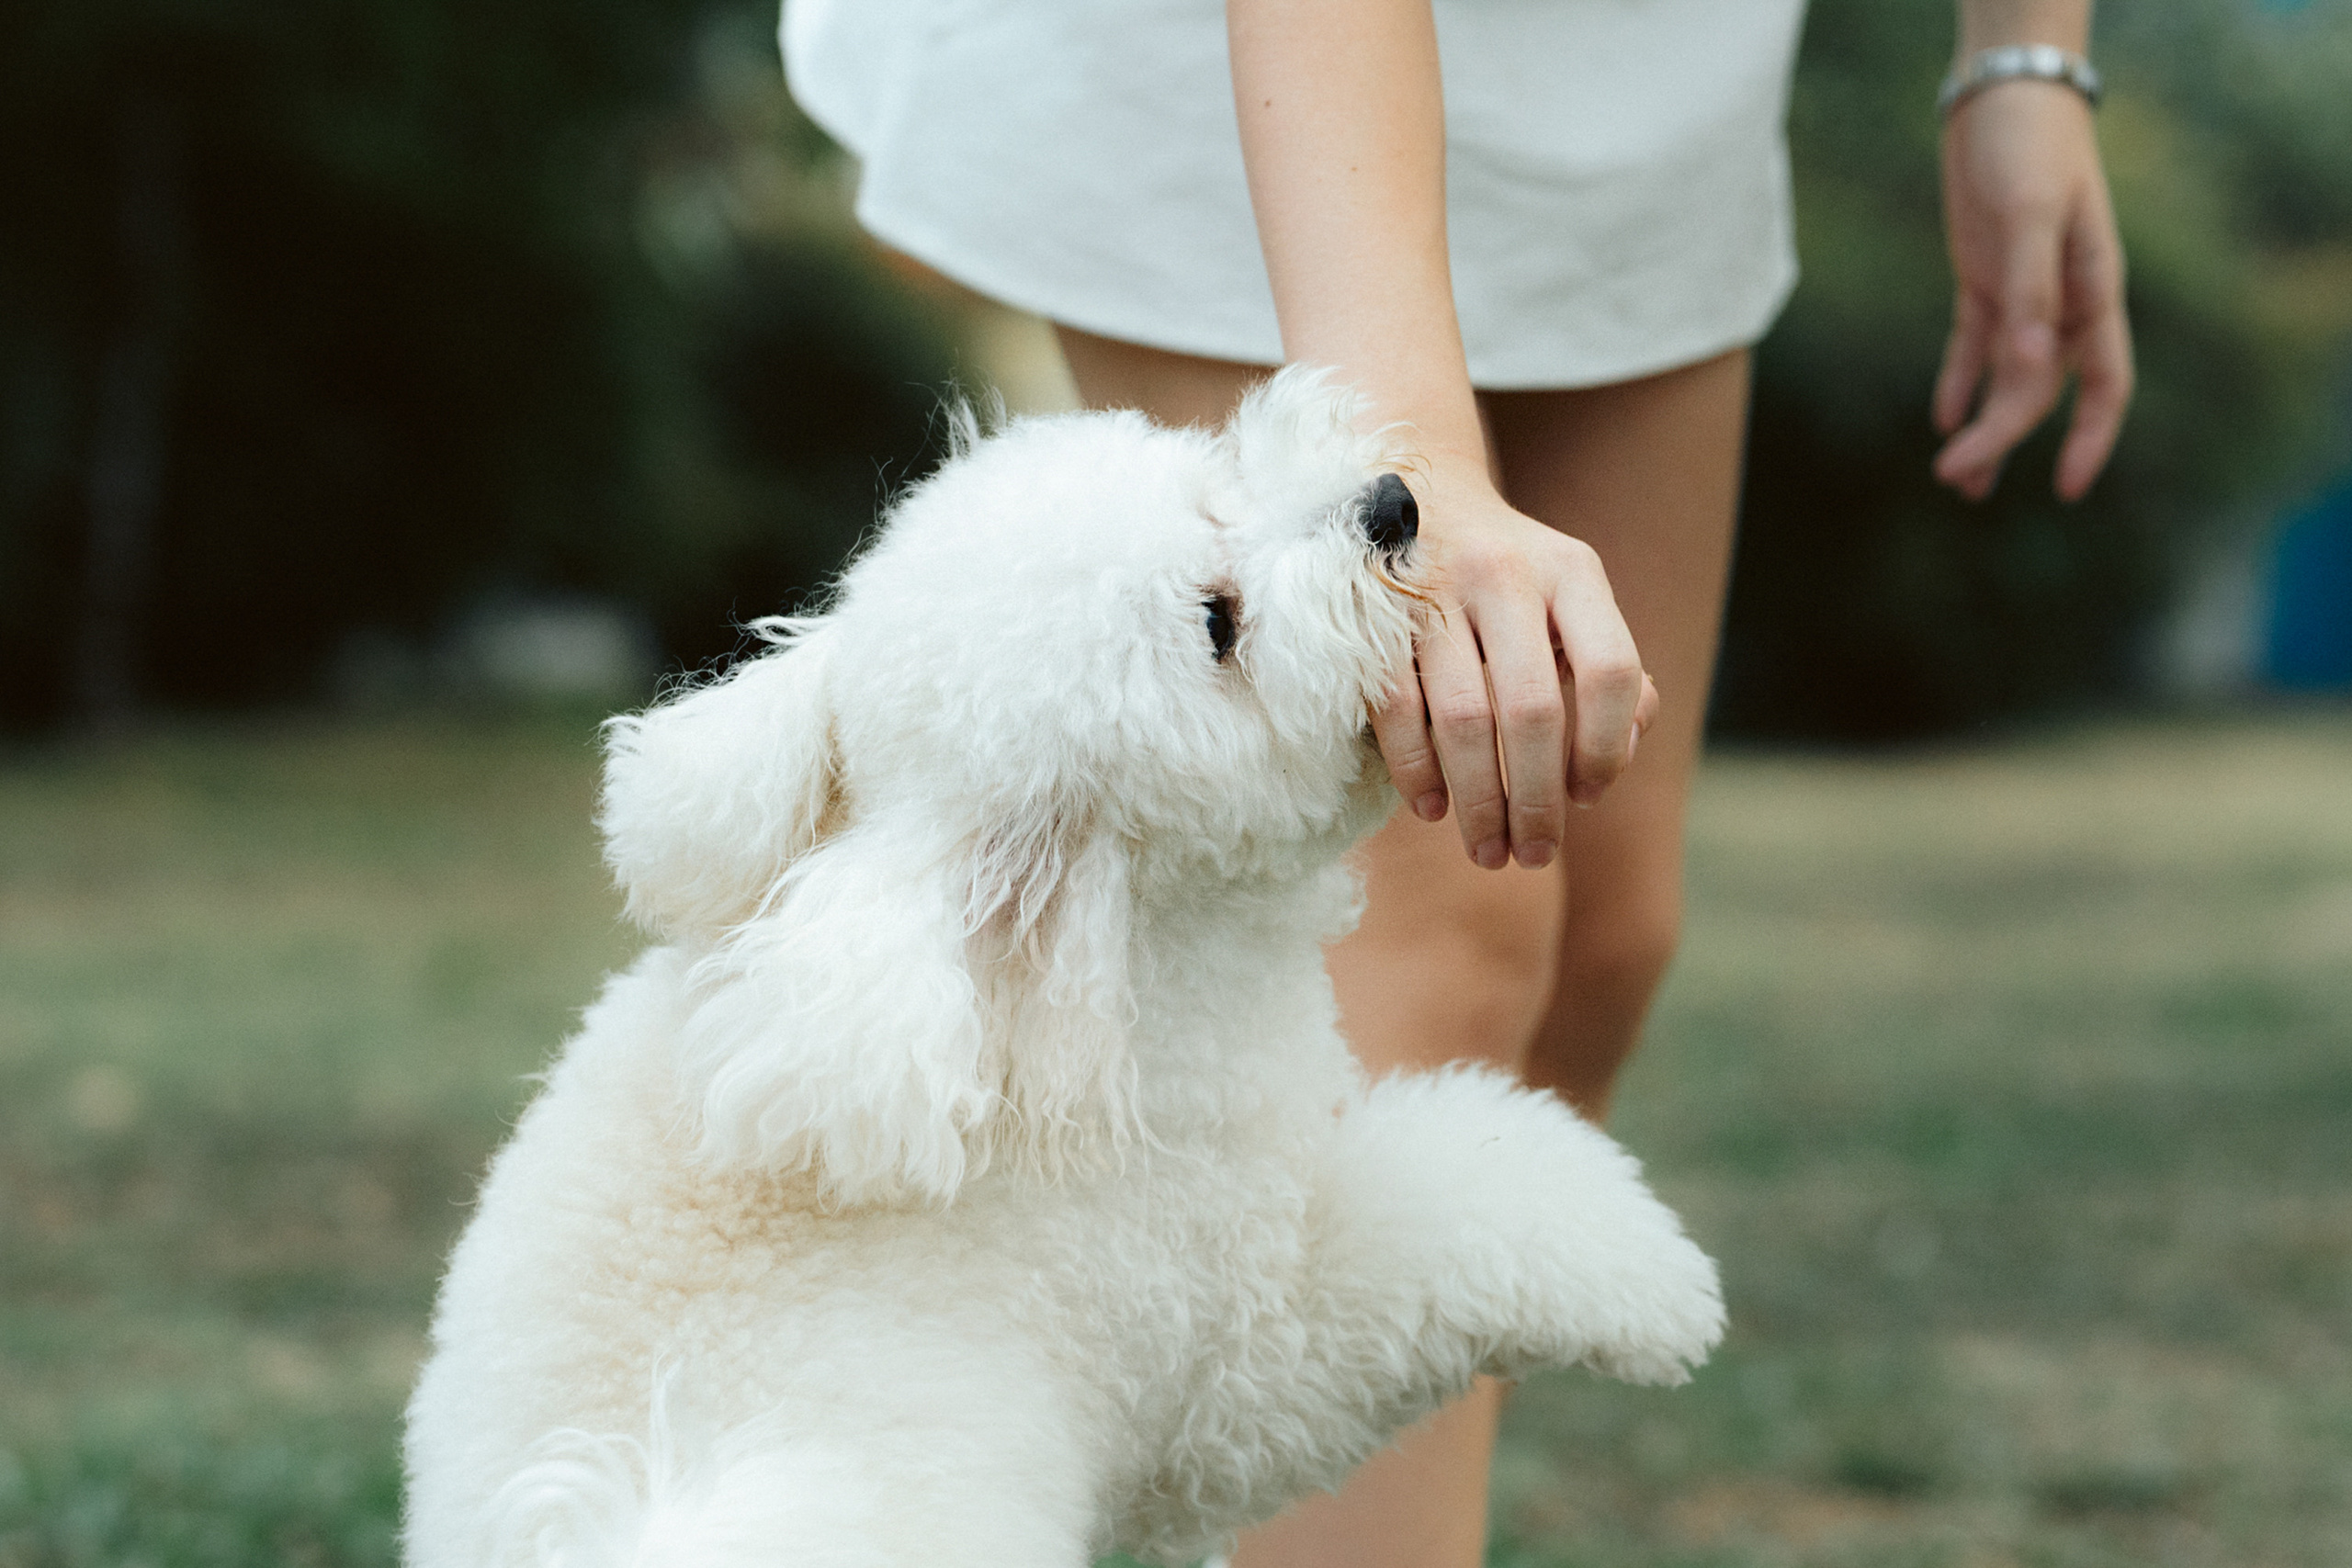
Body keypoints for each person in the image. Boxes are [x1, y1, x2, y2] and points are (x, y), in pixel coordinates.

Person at [780, 2, 2134, 1564]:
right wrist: (1408, 478)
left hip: (1640, 77)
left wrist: (2021, 61)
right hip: (1250, 66)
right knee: (1446, 928)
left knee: (1597, 945)